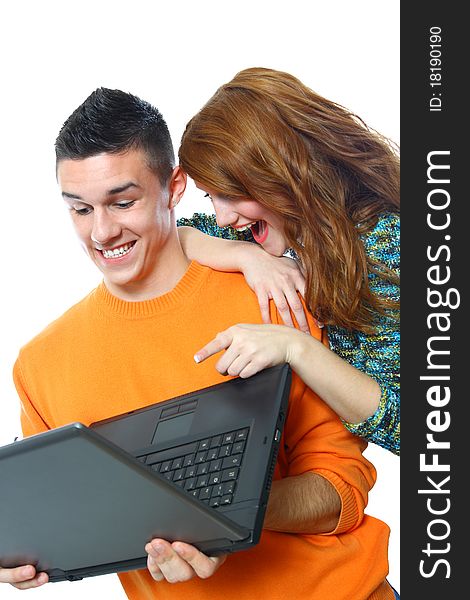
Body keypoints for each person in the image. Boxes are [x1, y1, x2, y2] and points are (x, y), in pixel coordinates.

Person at [0, 88, 397, 599]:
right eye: (80, 208)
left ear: (173, 188)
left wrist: (222, 513)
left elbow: (344, 492)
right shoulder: (40, 367)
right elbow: (55, 520)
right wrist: (25, 552)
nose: (102, 231)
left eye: (123, 202)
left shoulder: (276, 300)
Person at [177, 67, 400, 455]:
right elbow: (175, 236)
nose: (223, 219)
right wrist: (246, 256)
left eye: (231, 194)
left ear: (280, 174)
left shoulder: (385, 245)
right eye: (210, 196)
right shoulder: (264, 229)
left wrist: (296, 349)